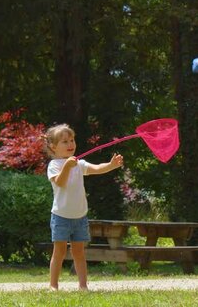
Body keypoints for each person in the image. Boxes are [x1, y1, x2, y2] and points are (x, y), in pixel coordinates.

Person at [44, 123, 124, 291]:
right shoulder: (55, 166)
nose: (70, 144)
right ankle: (53, 285)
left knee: (79, 253)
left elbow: (96, 169)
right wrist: (67, 166)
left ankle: (83, 286)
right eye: (65, 141)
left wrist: (110, 165)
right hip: (61, 217)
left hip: (80, 217)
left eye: (72, 140)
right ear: (53, 146)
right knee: (58, 252)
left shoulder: (79, 164)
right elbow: (60, 182)